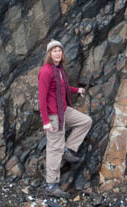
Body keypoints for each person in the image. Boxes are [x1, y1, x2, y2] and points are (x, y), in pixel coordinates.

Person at [37, 39, 92, 197]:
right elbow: (42, 98)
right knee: (54, 149)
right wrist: (46, 121)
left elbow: (63, 88)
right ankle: (51, 186)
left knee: (85, 121)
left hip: (63, 110)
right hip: (53, 115)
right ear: (49, 54)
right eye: (54, 50)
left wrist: (77, 90)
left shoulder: (59, 69)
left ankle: (68, 149)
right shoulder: (46, 71)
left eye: (59, 50)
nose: (58, 53)